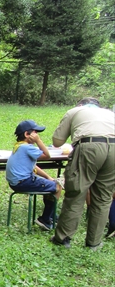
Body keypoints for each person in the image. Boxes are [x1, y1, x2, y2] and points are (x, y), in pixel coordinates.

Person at [50, 97, 115, 250]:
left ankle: (63, 238)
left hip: (89, 147)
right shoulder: (109, 113)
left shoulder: (75, 111)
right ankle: (94, 243)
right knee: (104, 197)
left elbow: (57, 142)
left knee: (76, 193)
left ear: (80, 105)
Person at [5, 120, 62, 231]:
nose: (37, 135)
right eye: (35, 133)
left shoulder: (19, 146)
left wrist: (48, 177)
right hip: (24, 181)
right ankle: (45, 219)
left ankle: (50, 215)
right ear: (27, 134)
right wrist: (38, 141)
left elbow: (34, 167)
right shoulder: (27, 148)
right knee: (57, 187)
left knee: (50, 184)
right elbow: (47, 155)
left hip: (17, 182)